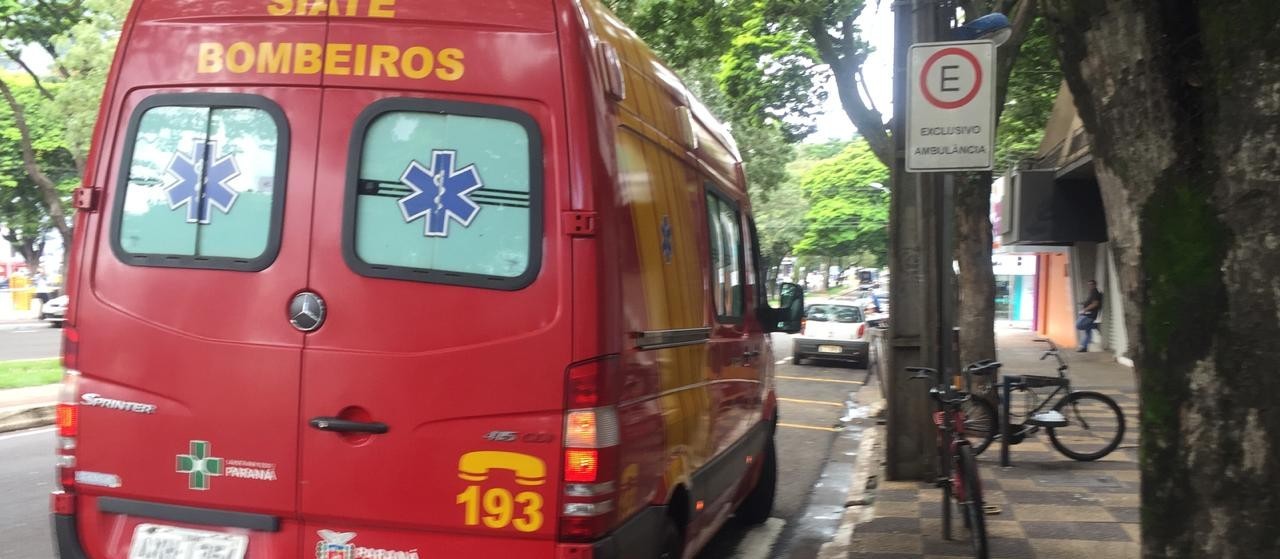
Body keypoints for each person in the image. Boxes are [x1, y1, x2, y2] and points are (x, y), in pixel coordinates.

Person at [1076, 279, 1103, 352]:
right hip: (1088, 314)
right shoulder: (1092, 292)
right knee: (1088, 331)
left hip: (1090, 315)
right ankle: (1084, 347)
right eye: (1089, 284)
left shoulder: (1095, 292)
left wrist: (1084, 310)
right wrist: (1084, 303)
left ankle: (1095, 325)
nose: (1089, 286)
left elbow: (1095, 304)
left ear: (1095, 285)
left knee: (1079, 325)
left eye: (1091, 284)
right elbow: (1091, 302)